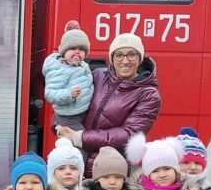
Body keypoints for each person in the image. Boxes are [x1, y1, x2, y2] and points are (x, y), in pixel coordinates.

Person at [57, 33, 161, 178]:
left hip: (112, 173)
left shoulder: (148, 94)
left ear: (140, 58)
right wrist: (59, 126)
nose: (125, 61)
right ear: (112, 58)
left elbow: (128, 134)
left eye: (131, 54)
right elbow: (71, 103)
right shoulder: (97, 75)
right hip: (77, 166)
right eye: (118, 55)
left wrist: (80, 138)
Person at [42, 21, 94, 132]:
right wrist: (69, 94)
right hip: (68, 116)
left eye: (81, 49)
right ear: (64, 52)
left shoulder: (83, 65)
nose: (77, 52)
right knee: (80, 141)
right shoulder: (59, 69)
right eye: (73, 49)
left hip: (82, 111)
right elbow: (50, 93)